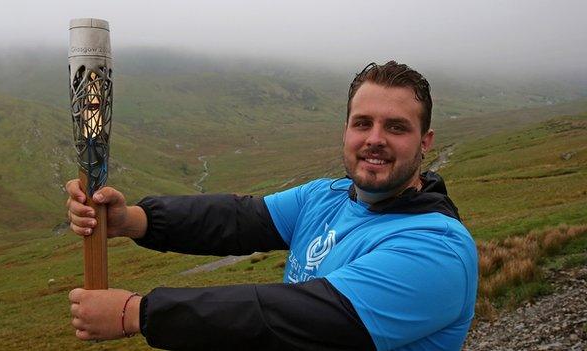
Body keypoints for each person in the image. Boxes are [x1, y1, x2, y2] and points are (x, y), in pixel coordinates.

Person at [66, 61, 478, 350]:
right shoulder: (327, 196)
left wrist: (137, 312)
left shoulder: (436, 249)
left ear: (426, 141)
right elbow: (240, 219)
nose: (375, 139)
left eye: (396, 127)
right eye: (362, 123)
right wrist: (132, 220)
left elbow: (293, 317)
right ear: (346, 129)